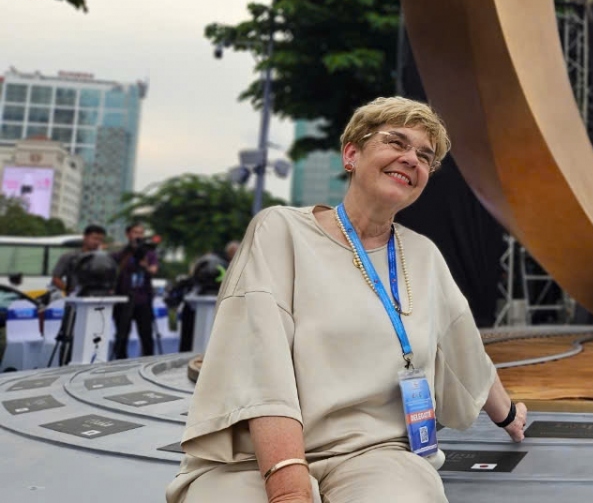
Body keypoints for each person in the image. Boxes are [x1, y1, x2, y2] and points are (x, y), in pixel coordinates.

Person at [166, 97, 527, 503]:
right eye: (396, 142)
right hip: (254, 459)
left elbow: (465, 350)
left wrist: (509, 415)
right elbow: (259, 367)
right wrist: (289, 489)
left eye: (425, 156)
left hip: (375, 454)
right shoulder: (281, 231)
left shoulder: (423, 255)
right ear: (351, 154)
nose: (411, 159)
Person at [112, 222, 158, 359]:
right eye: (135, 232)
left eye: (141, 233)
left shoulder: (149, 253)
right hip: (123, 299)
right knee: (121, 335)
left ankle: (148, 361)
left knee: (146, 335)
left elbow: (153, 270)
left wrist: (145, 265)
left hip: (143, 299)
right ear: (128, 234)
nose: (138, 236)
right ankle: (120, 362)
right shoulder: (122, 254)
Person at [51, 224, 107, 296]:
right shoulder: (69, 256)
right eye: (94, 238)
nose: (97, 242)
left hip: (98, 298)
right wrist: (70, 291)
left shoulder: (103, 258)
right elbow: (56, 278)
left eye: (100, 240)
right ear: (85, 237)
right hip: (75, 299)